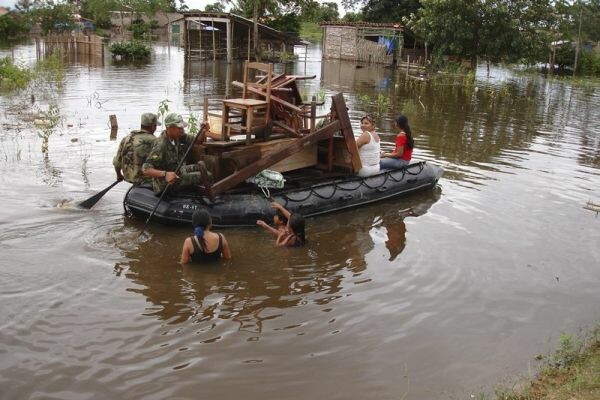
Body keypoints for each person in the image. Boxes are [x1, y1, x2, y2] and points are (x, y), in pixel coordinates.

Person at [142, 113, 213, 198]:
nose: (182, 130)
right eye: (179, 128)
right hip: (168, 183)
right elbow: (146, 169)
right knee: (207, 175)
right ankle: (207, 194)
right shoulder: (161, 145)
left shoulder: (178, 136)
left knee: (202, 168)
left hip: (178, 171)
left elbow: (197, 141)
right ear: (169, 128)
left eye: (182, 127)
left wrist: (203, 130)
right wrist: (165, 174)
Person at [113, 112, 160, 184]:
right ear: (153, 126)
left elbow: (117, 162)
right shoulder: (155, 141)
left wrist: (119, 175)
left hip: (129, 178)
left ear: (142, 125)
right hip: (146, 181)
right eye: (155, 126)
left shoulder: (126, 138)